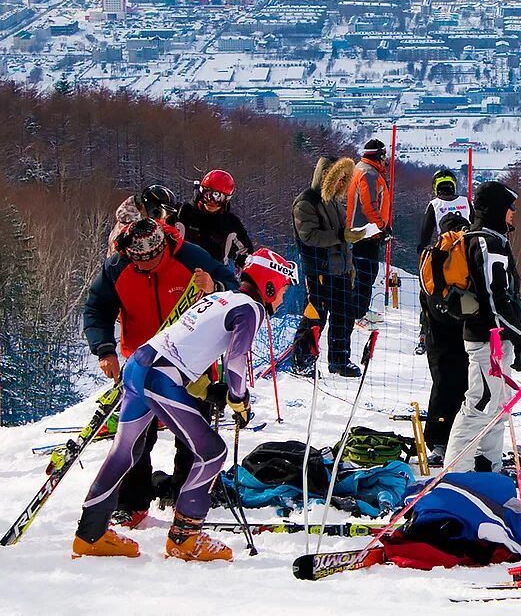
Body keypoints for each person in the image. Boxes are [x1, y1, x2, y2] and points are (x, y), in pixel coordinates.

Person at [72, 248, 297, 561]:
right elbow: (235, 360)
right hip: (161, 377)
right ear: (269, 286)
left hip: (139, 364)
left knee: (125, 451)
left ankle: (90, 533)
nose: (283, 298)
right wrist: (237, 398)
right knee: (212, 452)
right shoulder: (250, 308)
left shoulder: (221, 298)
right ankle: (185, 537)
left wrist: (207, 390)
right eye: (283, 290)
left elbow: (184, 345)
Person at [81, 218, 238, 527]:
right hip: (141, 362)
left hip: (191, 363)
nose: (147, 266)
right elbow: (96, 308)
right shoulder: (117, 267)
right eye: (139, 262)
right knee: (135, 437)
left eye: (152, 259)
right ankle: (131, 503)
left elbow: (234, 290)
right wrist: (104, 349)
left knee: (192, 435)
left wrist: (214, 287)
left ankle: (186, 499)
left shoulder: (190, 257)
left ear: (163, 246)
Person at [444, 181, 521, 473]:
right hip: (486, 339)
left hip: (496, 337)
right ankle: (456, 473)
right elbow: (495, 298)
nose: (513, 213)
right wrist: (519, 340)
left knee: (498, 406)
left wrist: (516, 338)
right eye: (509, 207)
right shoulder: (486, 242)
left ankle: (488, 467)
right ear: (496, 210)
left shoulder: (493, 239)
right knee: (480, 404)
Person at [291, 156, 360, 377]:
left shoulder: (333, 202)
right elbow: (309, 236)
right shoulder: (306, 202)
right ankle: (303, 360)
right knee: (315, 315)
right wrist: (341, 235)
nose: (340, 185)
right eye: (337, 180)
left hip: (339, 268)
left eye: (343, 181)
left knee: (344, 315)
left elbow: (342, 236)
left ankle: (340, 359)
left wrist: (350, 265)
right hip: (318, 270)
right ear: (325, 177)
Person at [420, 211, 473, 466]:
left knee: (442, 385)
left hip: (437, 331)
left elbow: (425, 295)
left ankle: (438, 441)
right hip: (466, 330)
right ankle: (466, 440)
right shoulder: (470, 251)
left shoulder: (431, 255)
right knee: (468, 386)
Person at [416, 169, 473, 353]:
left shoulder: (434, 204)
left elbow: (425, 235)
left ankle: (425, 332)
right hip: (468, 253)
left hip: (444, 254)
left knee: (429, 291)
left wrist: (423, 251)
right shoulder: (466, 201)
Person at [346, 138, 392, 326]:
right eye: (384, 156)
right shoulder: (369, 174)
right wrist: (382, 226)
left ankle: (359, 309)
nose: (386, 160)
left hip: (363, 231)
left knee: (363, 273)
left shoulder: (362, 169)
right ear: (379, 155)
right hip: (366, 232)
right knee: (366, 274)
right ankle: (358, 313)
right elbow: (369, 205)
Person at [177, 169, 254, 268]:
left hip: (214, 272)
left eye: (218, 197)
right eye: (208, 195)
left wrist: (244, 261)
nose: (212, 201)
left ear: (226, 199)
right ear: (201, 192)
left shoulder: (230, 224)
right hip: (181, 267)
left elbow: (246, 252)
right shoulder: (185, 212)